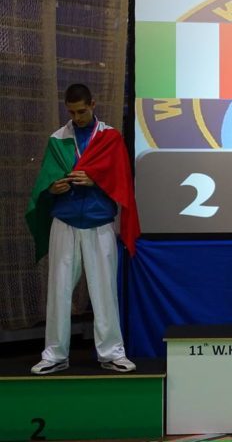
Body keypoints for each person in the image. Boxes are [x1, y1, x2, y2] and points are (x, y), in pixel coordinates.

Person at [26, 83, 140, 374]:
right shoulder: (58, 139)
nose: (77, 117)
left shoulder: (110, 137)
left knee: (104, 291)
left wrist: (96, 181)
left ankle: (112, 352)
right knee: (59, 290)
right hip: (64, 222)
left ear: (93, 104)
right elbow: (45, 182)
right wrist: (54, 187)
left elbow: (122, 181)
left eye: (82, 110)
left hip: (99, 222)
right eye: (72, 112)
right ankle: (55, 354)